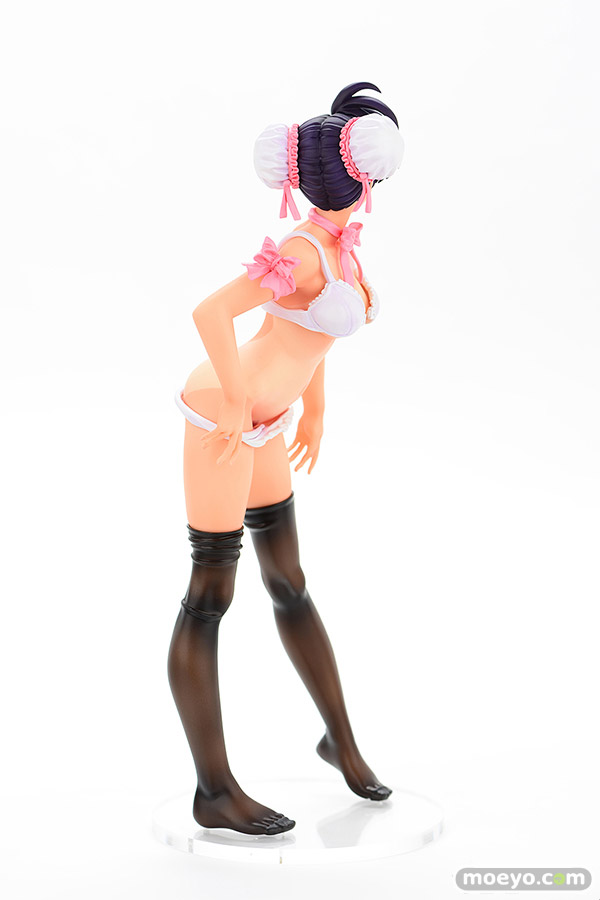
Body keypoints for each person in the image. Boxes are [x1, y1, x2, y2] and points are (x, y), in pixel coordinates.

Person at [167, 81, 404, 836]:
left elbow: (310, 338)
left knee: (289, 583)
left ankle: (341, 743)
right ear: (363, 175)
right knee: (211, 594)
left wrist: (316, 409)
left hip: (271, 419)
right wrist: (237, 401)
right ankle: (213, 790)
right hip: (223, 416)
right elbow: (211, 312)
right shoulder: (303, 252)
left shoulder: (338, 248)